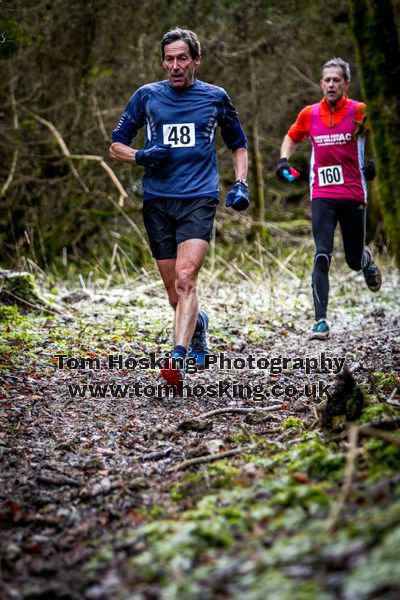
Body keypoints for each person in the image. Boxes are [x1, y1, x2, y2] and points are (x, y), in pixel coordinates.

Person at [110, 28, 249, 383]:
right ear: (163, 61)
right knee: (175, 294)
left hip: (199, 197)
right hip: (158, 201)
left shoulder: (215, 97)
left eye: (182, 58)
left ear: (196, 60)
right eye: (169, 59)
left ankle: (178, 358)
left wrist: (241, 183)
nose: (175, 66)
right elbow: (116, 146)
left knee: (187, 279)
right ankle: (198, 324)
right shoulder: (146, 96)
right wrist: (141, 155)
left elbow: (238, 143)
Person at [276, 57, 381, 340]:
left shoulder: (359, 112)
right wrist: (284, 161)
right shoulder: (310, 114)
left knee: (352, 260)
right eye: (327, 80)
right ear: (321, 84)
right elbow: (291, 137)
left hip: (353, 193)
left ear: (346, 83)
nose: (331, 85)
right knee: (321, 254)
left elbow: (381, 138)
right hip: (322, 193)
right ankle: (320, 322)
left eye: (337, 80)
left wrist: (374, 164)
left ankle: (365, 258)